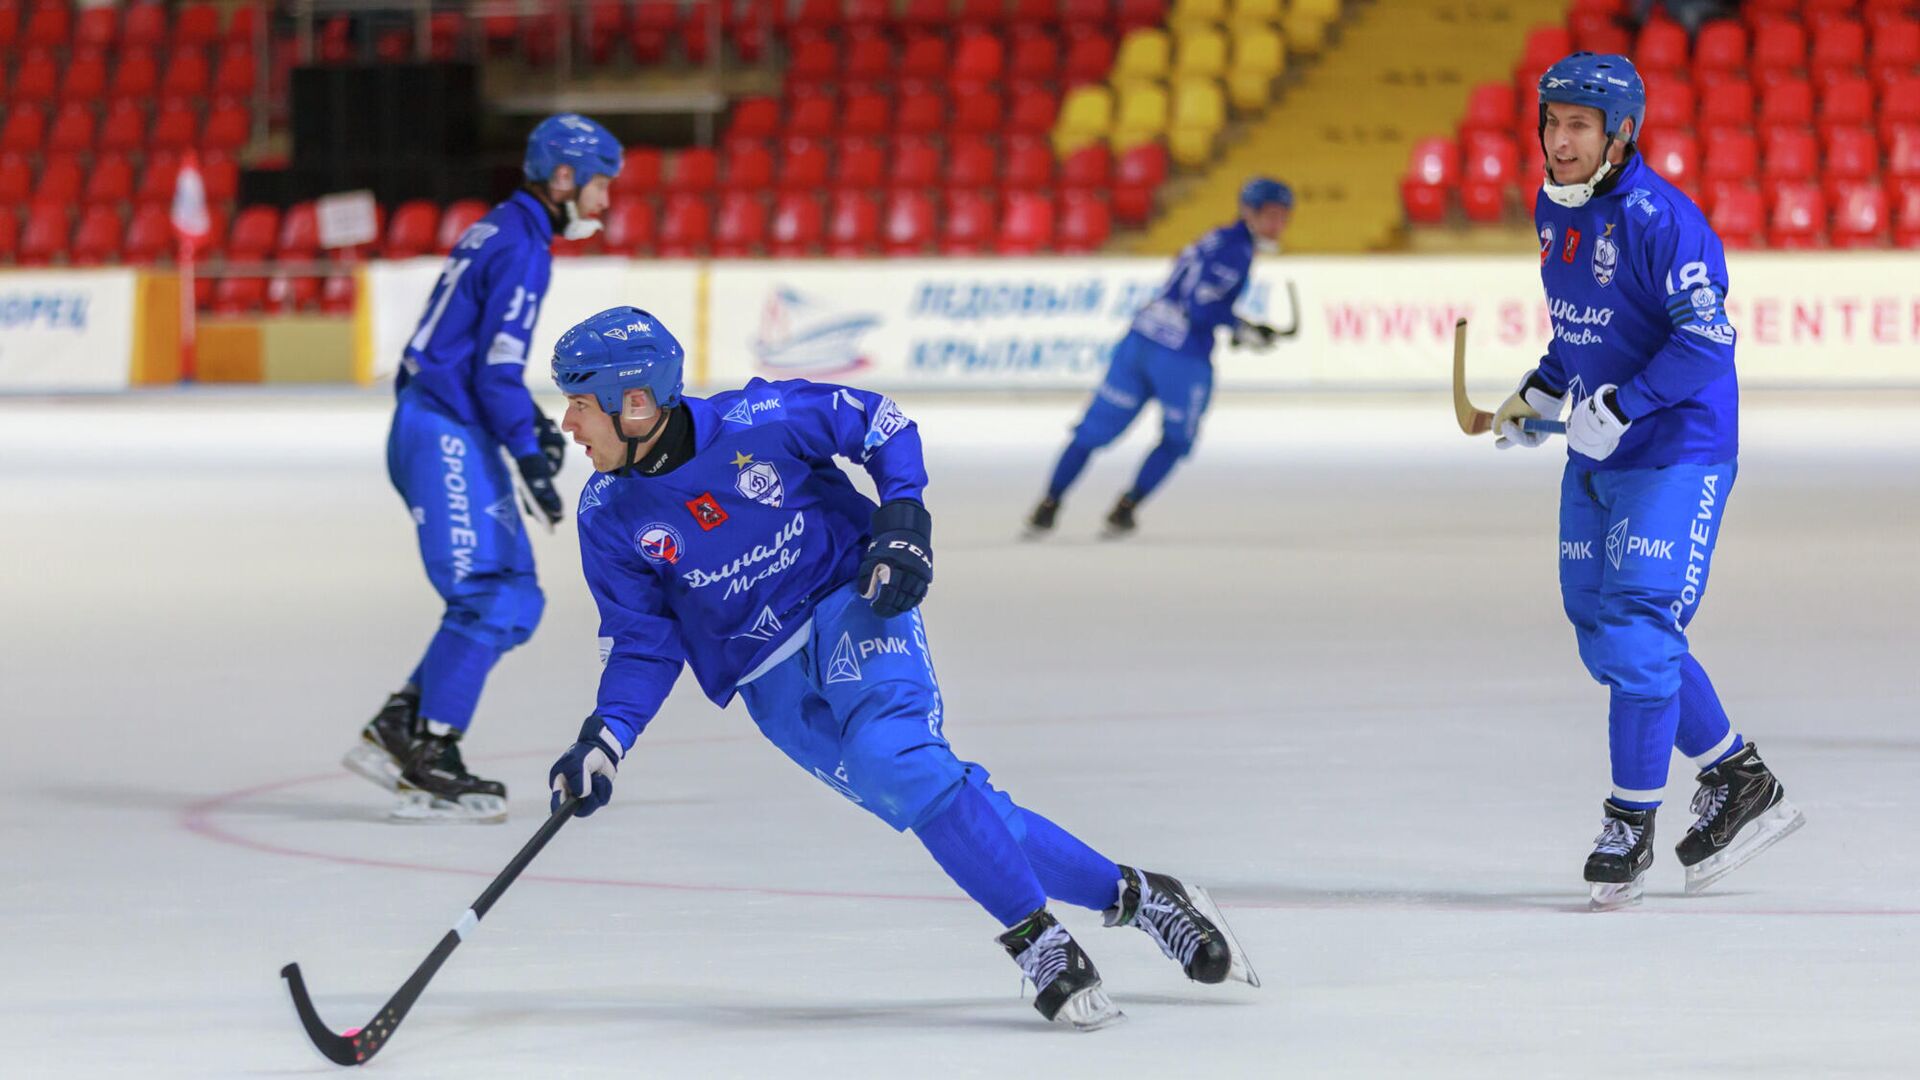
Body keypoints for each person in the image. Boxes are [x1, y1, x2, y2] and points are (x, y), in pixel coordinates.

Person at [542, 306, 1259, 1028]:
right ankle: (1143, 896)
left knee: (897, 758)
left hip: (849, 602)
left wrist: (904, 520)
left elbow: (880, 424)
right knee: (942, 799)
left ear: (634, 402)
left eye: (578, 403)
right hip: (770, 687)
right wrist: (605, 739)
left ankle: (1036, 939)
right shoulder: (609, 514)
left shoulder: (760, 417)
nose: (569, 424)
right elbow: (642, 641)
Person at [1493, 52, 1802, 908]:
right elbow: (1583, 325)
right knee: (1600, 626)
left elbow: (1707, 340)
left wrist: (1624, 406)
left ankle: (1629, 822)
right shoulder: (1555, 213)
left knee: (1635, 624)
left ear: (1620, 133)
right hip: (1599, 448)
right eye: (1553, 122)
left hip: (1678, 447)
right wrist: (1542, 388)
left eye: (1579, 126)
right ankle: (1741, 779)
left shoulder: (1663, 219)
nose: (1560, 140)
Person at [342, 114, 624, 823]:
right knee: (489, 596)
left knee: (518, 597)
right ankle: (431, 760)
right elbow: (495, 370)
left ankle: (400, 726)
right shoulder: (525, 247)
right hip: (443, 427)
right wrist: (528, 453)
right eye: (600, 186)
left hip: (448, 421)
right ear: (564, 177)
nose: (604, 203)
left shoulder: (502, 228)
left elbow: (477, 360)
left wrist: (526, 424)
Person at [1027, 177, 1292, 537]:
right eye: (1272, 215)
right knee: (1178, 439)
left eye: (1284, 217)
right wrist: (1242, 328)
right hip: (1180, 357)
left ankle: (1048, 505)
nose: (1279, 225)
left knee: (1090, 432)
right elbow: (1201, 309)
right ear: (1249, 212)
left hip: (1141, 339)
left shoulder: (1217, 238)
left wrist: (1237, 324)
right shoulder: (1237, 251)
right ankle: (1126, 507)